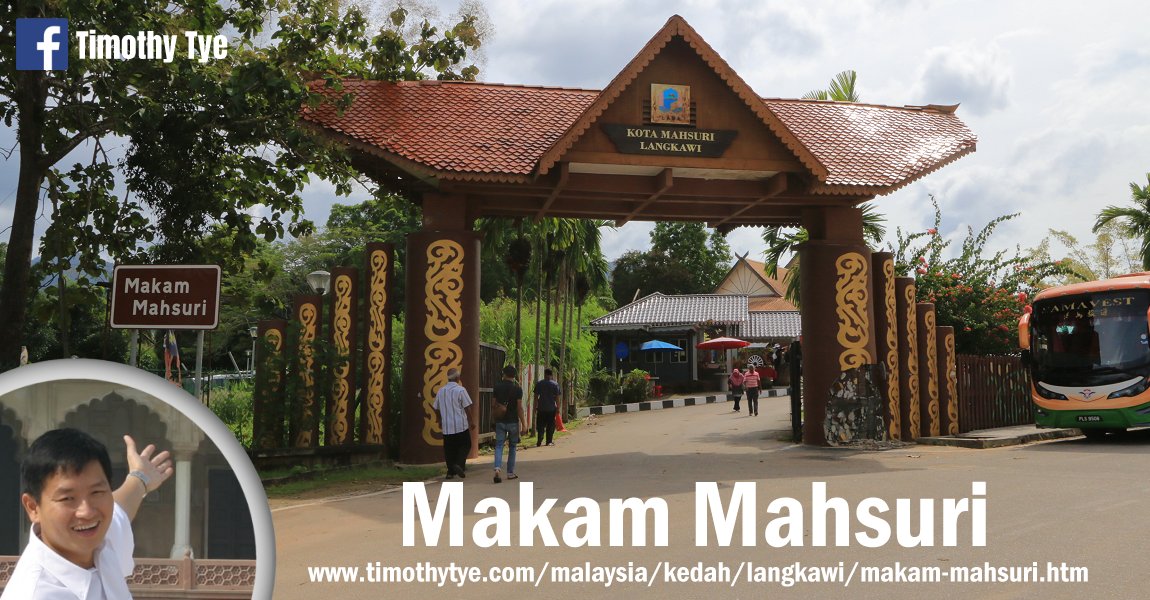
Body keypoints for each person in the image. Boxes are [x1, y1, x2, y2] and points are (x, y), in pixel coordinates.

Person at [4, 428, 174, 600]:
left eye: (96, 492)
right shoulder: (33, 593)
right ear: (33, 507)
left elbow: (121, 507)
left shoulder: (100, 540)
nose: (87, 512)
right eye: (68, 498)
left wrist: (140, 478)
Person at [432, 368, 472, 479]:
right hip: (460, 425)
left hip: (447, 426)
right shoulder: (461, 390)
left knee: (449, 449)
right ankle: (458, 464)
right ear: (458, 378)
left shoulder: (441, 391)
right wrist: (471, 421)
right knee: (466, 445)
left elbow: (435, 407)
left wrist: (439, 419)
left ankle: (450, 472)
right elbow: (467, 407)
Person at [491, 365, 527, 483]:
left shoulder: (497, 386)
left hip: (500, 421)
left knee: (499, 445)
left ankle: (497, 468)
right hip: (513, 422)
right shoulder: (517, 389)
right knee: (512, 447)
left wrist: (495, 416)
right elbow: (519, 408)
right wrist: (524, 424)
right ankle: (510, 473)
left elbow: (493, 404)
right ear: (515, 376)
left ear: (504, 374)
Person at [534, 368, 560, 447]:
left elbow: (535, 397)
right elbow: (558, 398)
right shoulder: (555, 384)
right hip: (551, 408)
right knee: (550, 425)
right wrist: (558, 408)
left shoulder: (539, 384)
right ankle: (549, 441)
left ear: (544, 374)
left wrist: (535, 407)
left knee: (540, 425)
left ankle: (539, 440)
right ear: (551, 375)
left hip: (541, 407)